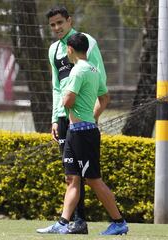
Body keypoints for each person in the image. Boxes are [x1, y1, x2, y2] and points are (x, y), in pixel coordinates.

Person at [37, 33, 128, 235]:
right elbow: (104, 97)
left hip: (83, 133)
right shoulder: (94, 69)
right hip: (75, 130)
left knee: (93, 179)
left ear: (70, 50)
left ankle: (118, 221)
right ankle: (62, 223)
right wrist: (93, 115)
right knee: (72, 178)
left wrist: (64, 96)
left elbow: (68, 101)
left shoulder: (77, 71)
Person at [39, 5, 108, 234]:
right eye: (52, 25)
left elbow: (100, 82)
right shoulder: (54, 51)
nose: (57, 28)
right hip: (64, 119)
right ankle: (76, 222)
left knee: (87, 175)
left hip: (83, 120)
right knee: (71, 174)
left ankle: (88, 221)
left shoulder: (86, 41)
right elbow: (57, 87)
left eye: (60, 22)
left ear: (69, 21)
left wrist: (92, 117)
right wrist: (55, 119)